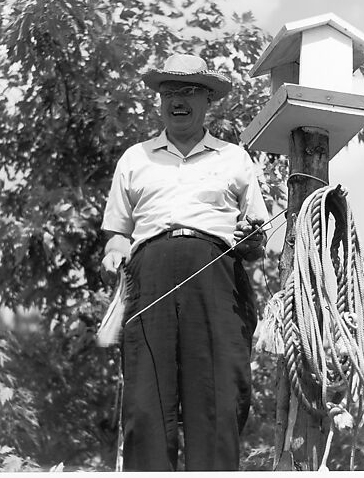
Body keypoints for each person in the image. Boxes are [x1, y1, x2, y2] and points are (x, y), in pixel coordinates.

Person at [100, 53, 269, 471]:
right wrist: (115, 250)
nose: (178, 99)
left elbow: (258, 238)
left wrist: (251, 240)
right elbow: (117, 232)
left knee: (217, 403)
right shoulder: (134, 158)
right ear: (159, 100)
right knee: (144, 407)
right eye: (169, 91)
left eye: (189, 90)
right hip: (148, 282)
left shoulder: (234, 158)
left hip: (217, 280)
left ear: (207, 98)